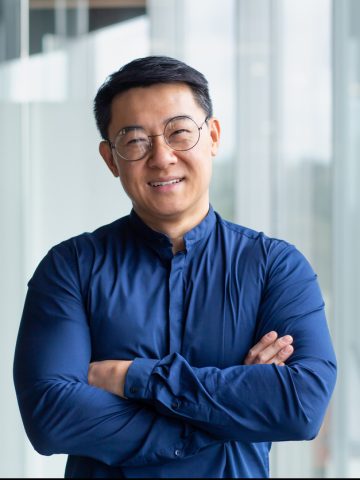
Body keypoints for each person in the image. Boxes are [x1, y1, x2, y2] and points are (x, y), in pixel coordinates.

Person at [13, 56, 337, 478]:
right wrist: (229, 414)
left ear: (213, 136)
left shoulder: (276, 266)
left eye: (179, 133)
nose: (162, 158)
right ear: (111, 159)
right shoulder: (70, 268)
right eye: (134, 142)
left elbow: (302, 405)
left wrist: (135, 378)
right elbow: (51, 418)